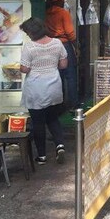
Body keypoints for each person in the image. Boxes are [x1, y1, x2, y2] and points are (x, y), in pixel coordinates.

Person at [19, 17, 67, 165]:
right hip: (54, 86)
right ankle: (59, 145)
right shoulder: (57, 43)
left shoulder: (30, 47)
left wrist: (21, 67)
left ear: (32, 32)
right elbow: (64, 65)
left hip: (36, 88)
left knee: (38, 122)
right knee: (53, 118)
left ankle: (42, 156)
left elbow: (24, 68)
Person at [45, 0, 78, 109]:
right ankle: (73, 104)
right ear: (58, 1)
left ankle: (59, 104)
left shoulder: (46, 13)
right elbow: (70, 32)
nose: (64, 1)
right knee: (70, 75)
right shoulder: (64, 13)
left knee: (57, 75)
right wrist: (76, 46)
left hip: (51, 44)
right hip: (64, 44)